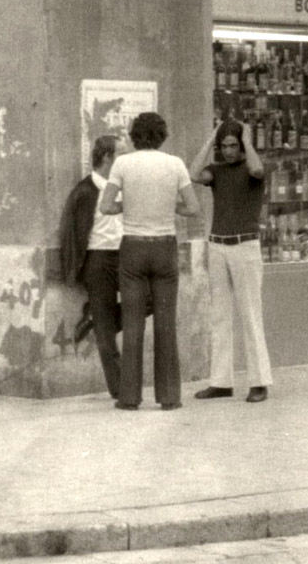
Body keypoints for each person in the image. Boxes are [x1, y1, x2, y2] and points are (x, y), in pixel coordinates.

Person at [99, 112, 198, 411]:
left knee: (132, 323)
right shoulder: (176, 164)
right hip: (165, 246)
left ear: (133, 136)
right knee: (166, 324)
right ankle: (169, 396)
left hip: (133, 247)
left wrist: (128, 206)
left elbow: (105, 207)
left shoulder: (123, 163)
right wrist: (169, 207)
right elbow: (193, 208)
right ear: (162, 136)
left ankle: (129, 397)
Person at [189, 120, 273, 403]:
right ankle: (221, 382)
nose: (227, 151)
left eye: (232, 145)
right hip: (218, 245)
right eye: (223, 146)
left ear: (241, 144)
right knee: (220, 316)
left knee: (250, 314)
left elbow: (257, 169)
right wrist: (210, 137)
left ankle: (259, 381)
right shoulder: (216, 171)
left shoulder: (254, 167)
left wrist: (248, 141)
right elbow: (192, 174)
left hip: (245, 245)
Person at [58, 135, 124, 397]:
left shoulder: (122, 186)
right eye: (122, 154)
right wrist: (74, 270)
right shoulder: (84, 191)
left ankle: (96, 318)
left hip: (126, 256)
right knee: (107, 337)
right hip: (97, 260)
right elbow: (70, 234)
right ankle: (120, 390)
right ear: (107, 157)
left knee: (150, 298)